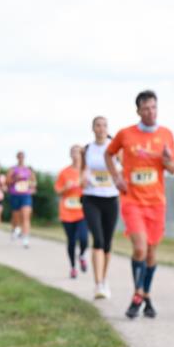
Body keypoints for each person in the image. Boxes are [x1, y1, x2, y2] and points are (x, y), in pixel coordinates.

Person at [105, 91, 174, 319]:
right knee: (140, 248)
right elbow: (109, 154)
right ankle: (137, 294)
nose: (151, 112)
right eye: (146, 108)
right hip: (132, 200)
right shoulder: (126, 134)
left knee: (151, 252)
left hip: (156, 203)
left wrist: (167, 160)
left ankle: (145, 295)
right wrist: (116, 177)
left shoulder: (166, 134)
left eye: (154, 107)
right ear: (138, 111)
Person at [82, 116, 121, 299]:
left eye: (104, 125)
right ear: (93, 128)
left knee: (107, 242)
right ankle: (97, 284)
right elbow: (83, 170)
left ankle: (104, 279)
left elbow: (124, 166)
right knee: (97, 239)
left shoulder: (114, 148)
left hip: (111, 198)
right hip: (91, 198)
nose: (101, 128)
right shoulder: (87, 149)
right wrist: (84, 177)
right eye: (98, 125)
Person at [55, 145, 88, 278]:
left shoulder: (86, 171)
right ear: (70, 155)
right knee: (72, 241)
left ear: (82, 155)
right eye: (73, 152)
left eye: (78, 152)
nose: (75, 155)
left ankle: (82, 255)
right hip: (67, 212)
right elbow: (58, 191)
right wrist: (65, 188)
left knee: (84, 239)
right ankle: (73, 267)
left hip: (83, 211)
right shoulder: (64, 172)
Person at [7, 151, 36, 248]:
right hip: (15, 194)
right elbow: (7, 181)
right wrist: (15, 179)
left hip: (26, 195)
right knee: (16, 216)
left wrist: (32, 188)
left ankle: (25, 239)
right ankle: (15, 228)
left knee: (25, 215)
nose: (21, 158)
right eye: (19, 157)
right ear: (17, 158)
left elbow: (33, 182)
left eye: (22, 157)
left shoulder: (28, 170)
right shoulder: (12, 169)